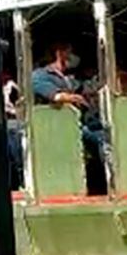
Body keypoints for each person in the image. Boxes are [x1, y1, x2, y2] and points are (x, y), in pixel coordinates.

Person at [32, 42, 108, 191]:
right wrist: (74, 98)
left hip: (81, 122)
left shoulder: (71, 78)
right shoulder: (40, 75)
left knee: (106, 133)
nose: (73, 57)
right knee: (101, 139)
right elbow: (55, 96)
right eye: (70, 52)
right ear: (60, 53)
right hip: (56, 127)